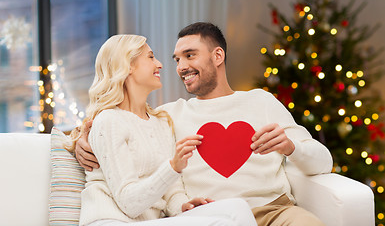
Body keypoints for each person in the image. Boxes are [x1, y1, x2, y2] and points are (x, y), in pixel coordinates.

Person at [75, 23, 333, 226]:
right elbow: (115, 123)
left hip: (274, 212)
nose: (180, 67)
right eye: (177, 59)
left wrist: (291, 147)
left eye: (190, 55)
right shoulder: (167, 116)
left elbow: (324, 162)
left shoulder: (261, 101)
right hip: (210, 217)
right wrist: (80, 142)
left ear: (217, 55)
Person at [71, 34, 257, 226]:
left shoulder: (161, 121)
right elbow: (130, 204)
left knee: (238, 207)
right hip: (112, 221)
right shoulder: (109, 120)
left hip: (148, 222)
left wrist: (183, 206)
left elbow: (171, 192)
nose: (159, 64)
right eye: (150, 57)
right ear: (127, 66)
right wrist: (172, 167)